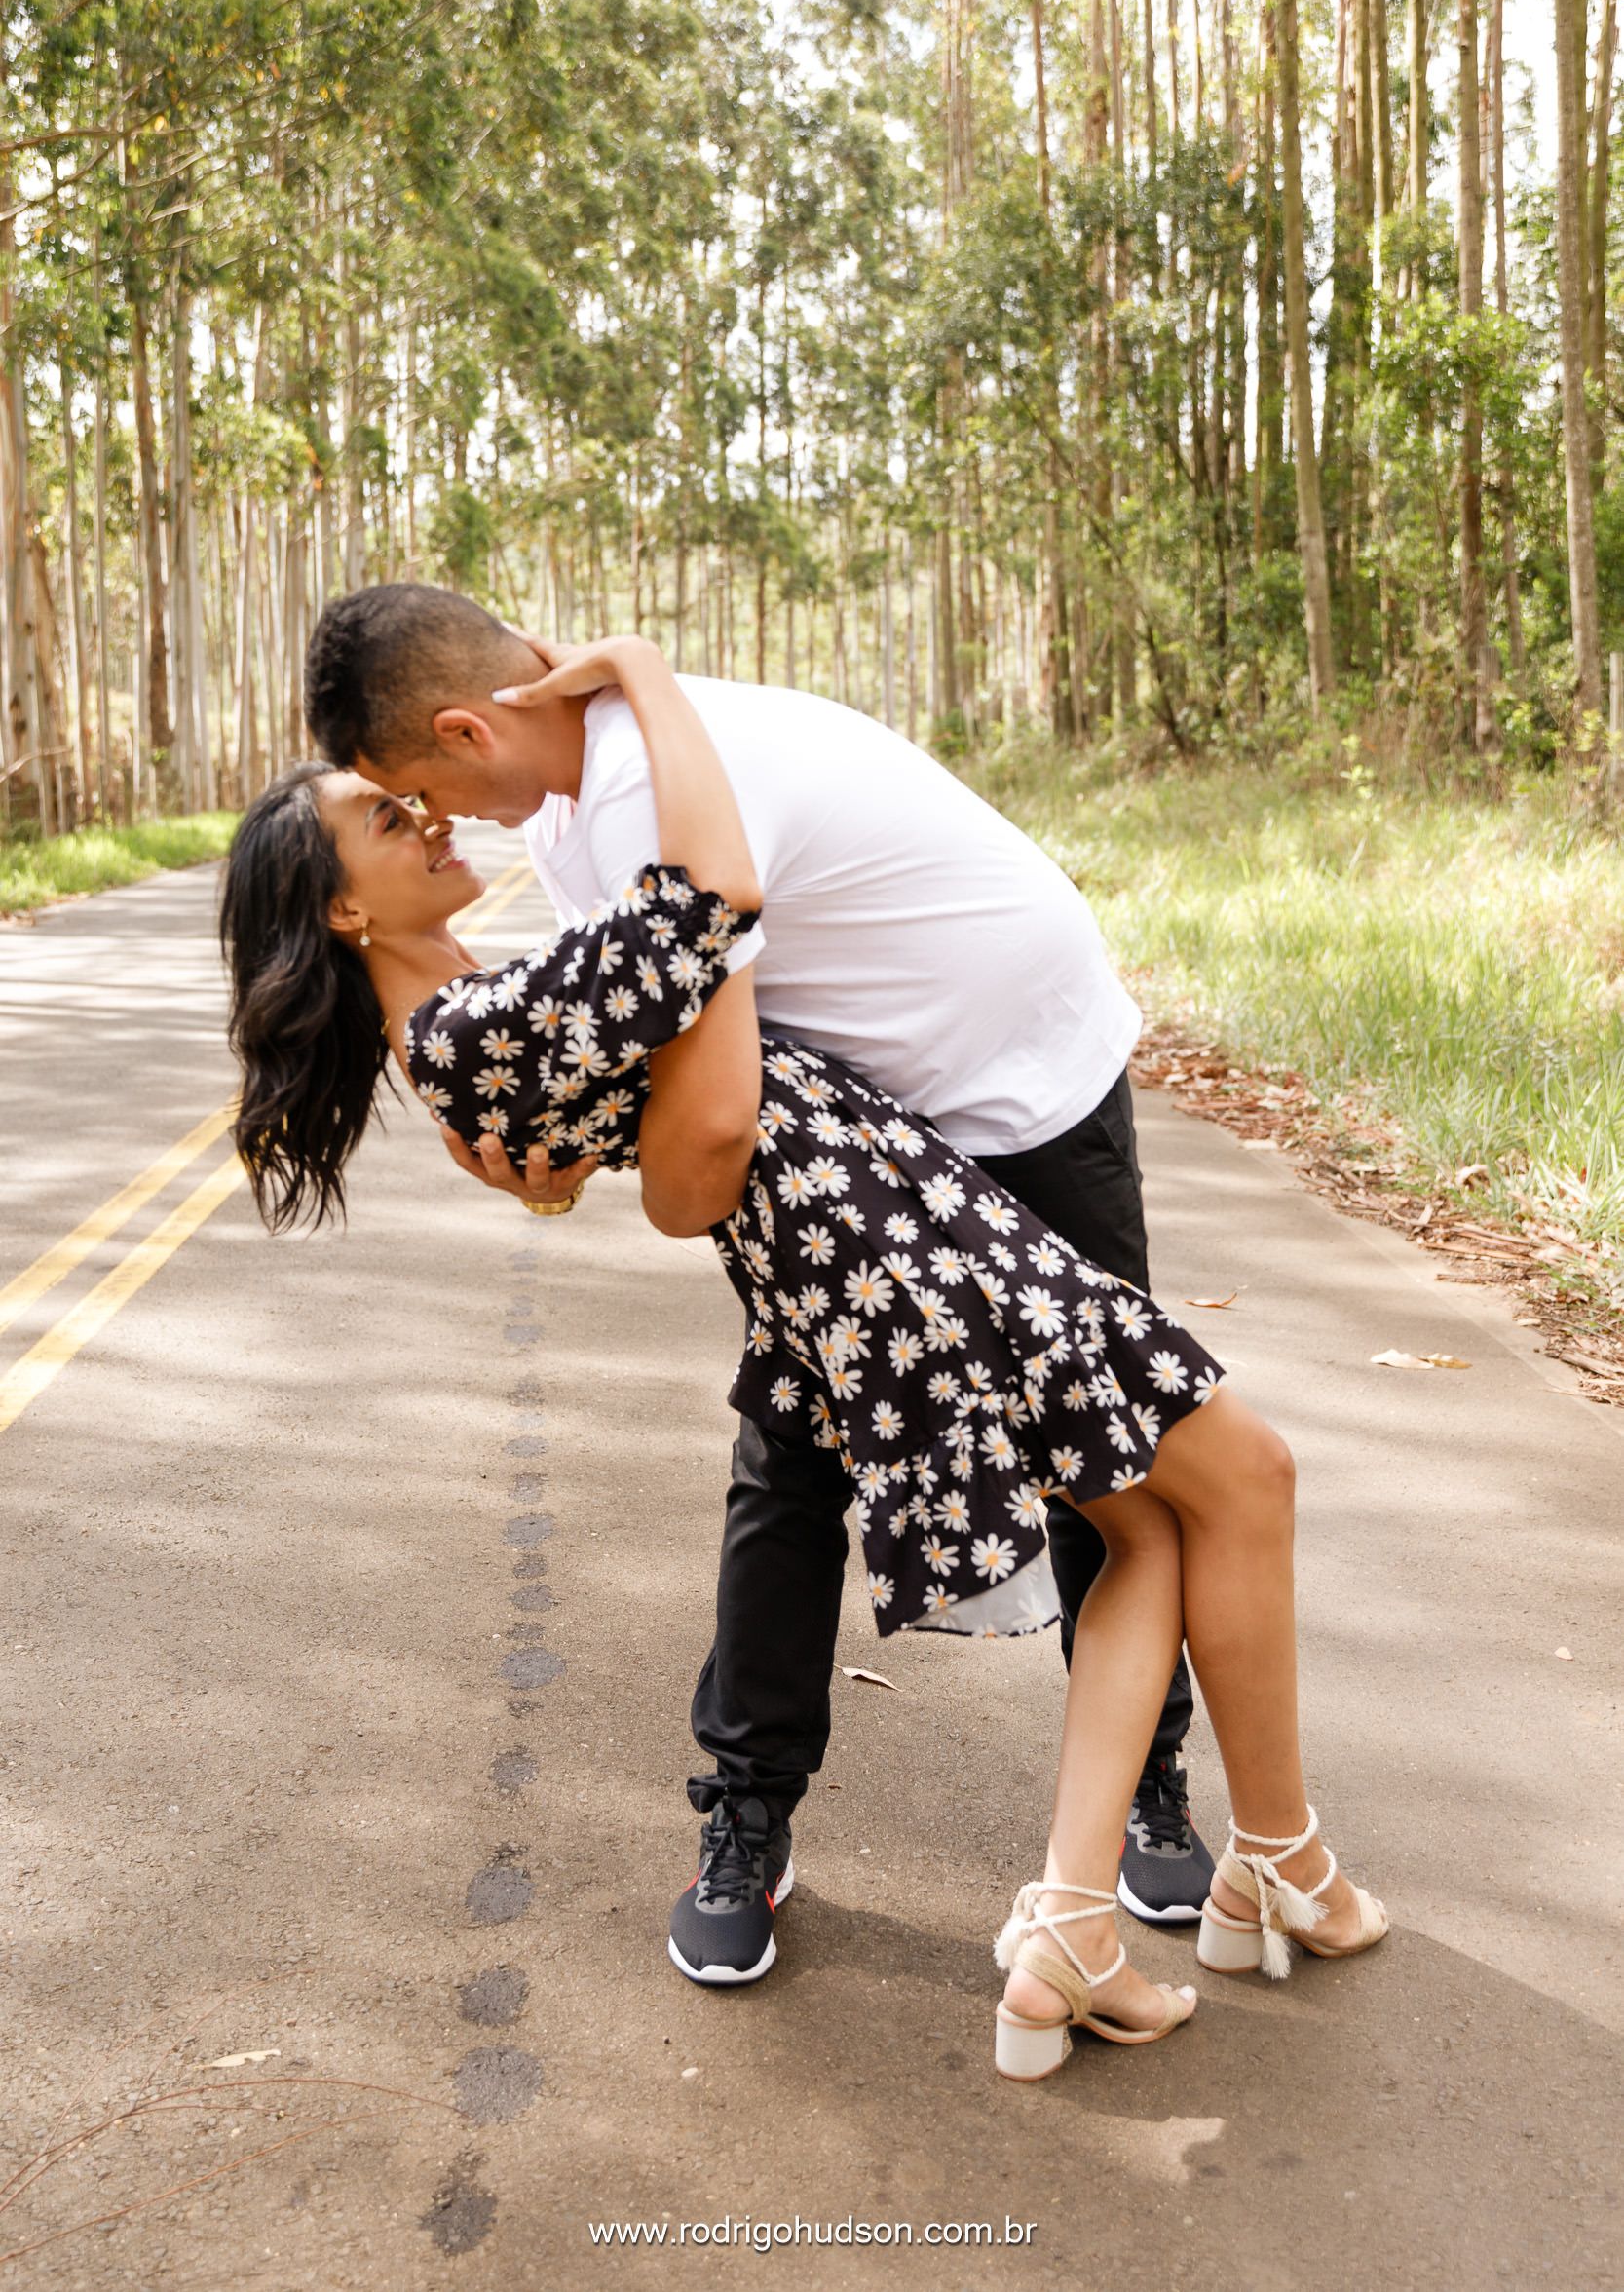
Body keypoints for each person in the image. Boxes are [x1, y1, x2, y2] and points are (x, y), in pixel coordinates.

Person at [222, 631, 1387, 2082]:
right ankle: (1221, 1879)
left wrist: (607, 1153)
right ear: (341, 911)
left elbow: (587, 1141)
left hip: (881, 1232)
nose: (431, 821)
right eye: (391, 819)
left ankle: (1115, 1911)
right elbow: (710, 914)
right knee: (1234, 1481)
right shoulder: (472, 1029)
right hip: (895, 1244)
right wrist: (645, 669)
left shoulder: (468, 1021)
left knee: (1151, 1526)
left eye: (412, 797)